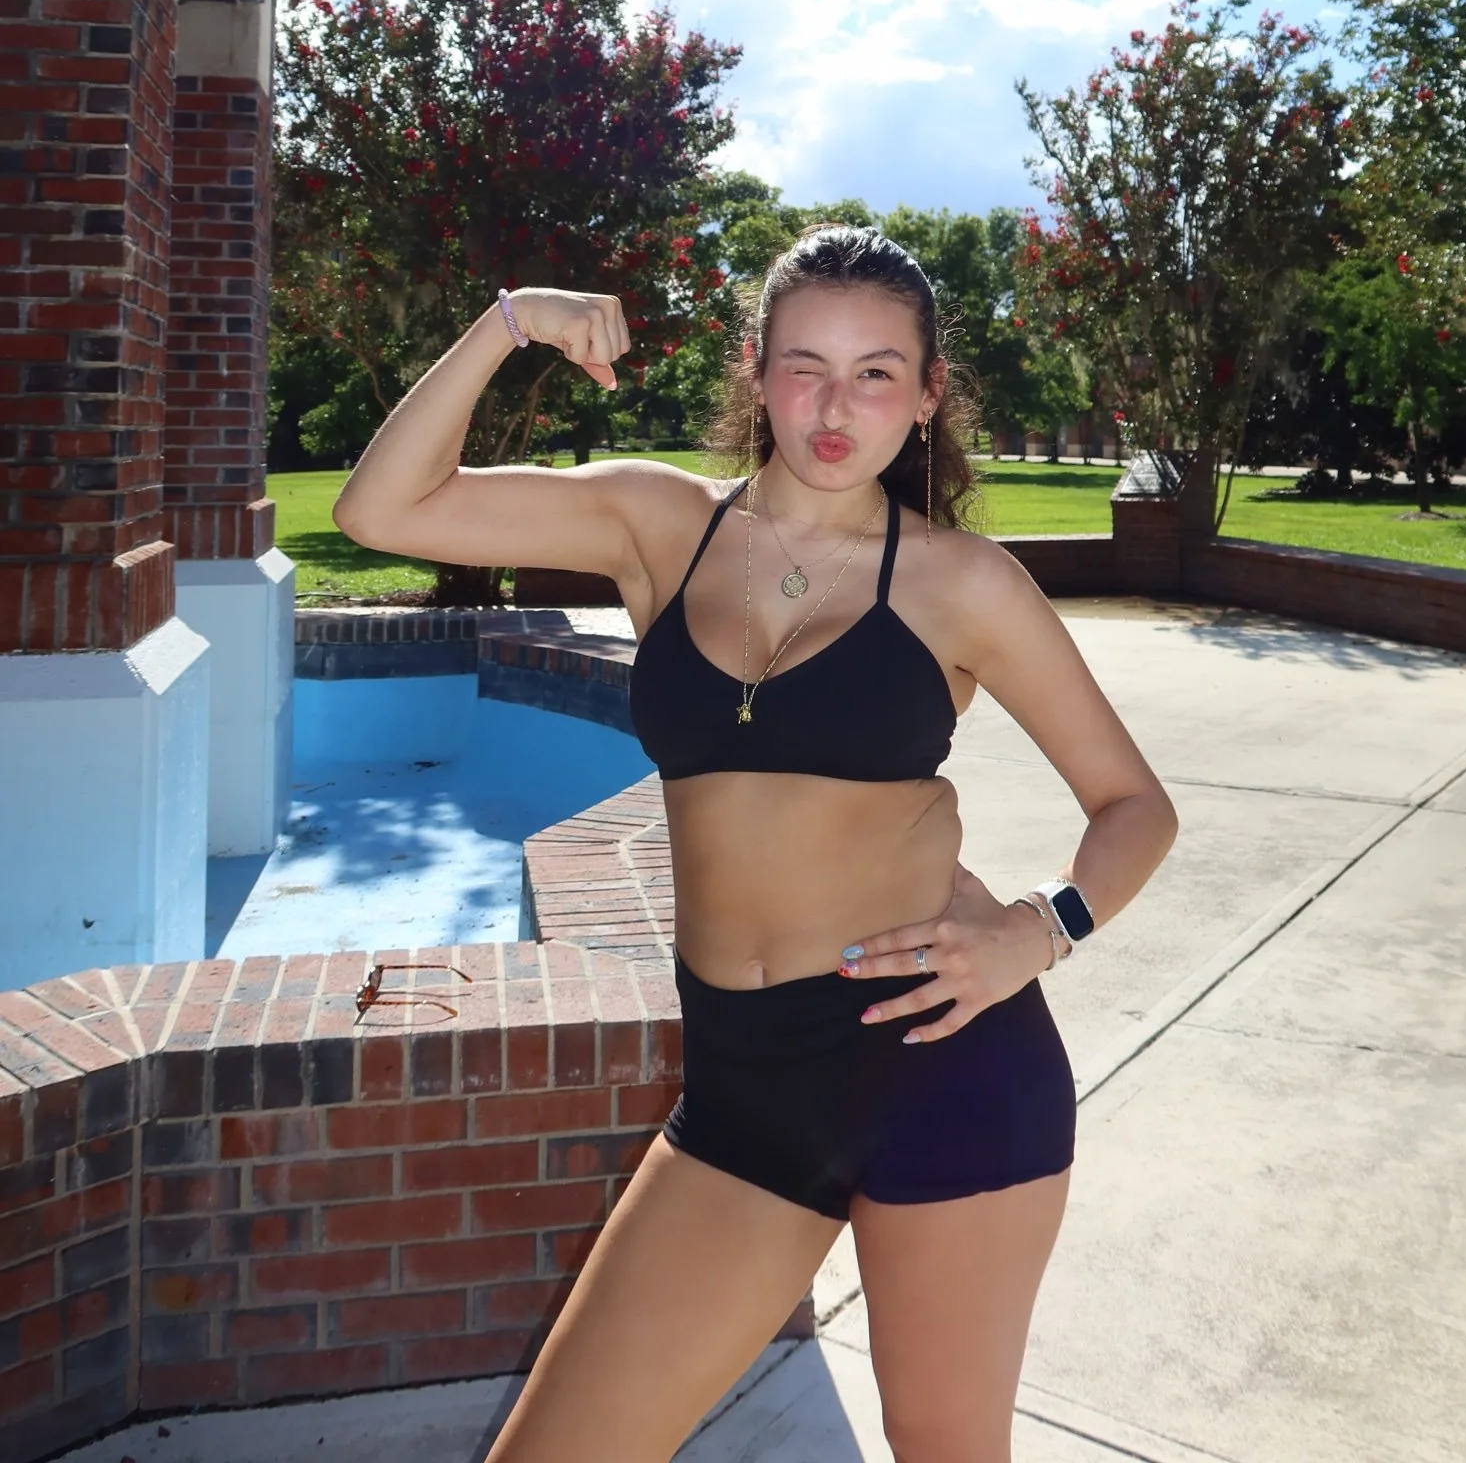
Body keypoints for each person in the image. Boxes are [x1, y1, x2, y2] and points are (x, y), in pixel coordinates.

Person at [333, 224, 1179, 1462]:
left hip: (938, 1057)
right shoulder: (654, 524)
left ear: (928, 396)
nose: (835, 407)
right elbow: (380, 505)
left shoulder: (962, 582)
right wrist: (512, 318)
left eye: (877, 373)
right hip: (743, 1087)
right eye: (806, 367)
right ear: (758, 370)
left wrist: (1036, 933)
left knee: (946, 1448)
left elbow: (1133, 805)